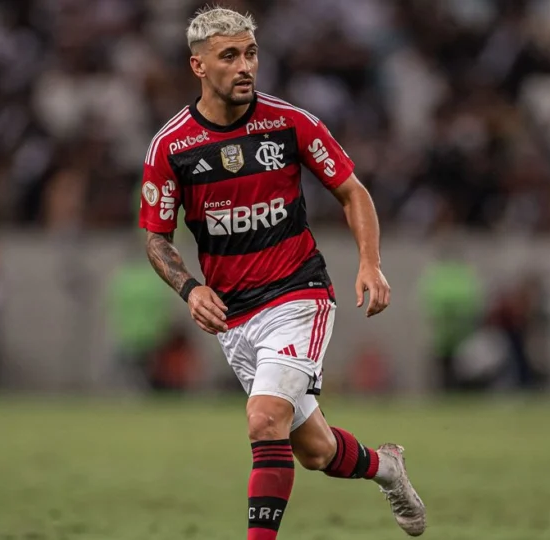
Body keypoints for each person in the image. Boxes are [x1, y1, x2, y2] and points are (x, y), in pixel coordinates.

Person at [138, 7, 426, 538]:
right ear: (198, 66)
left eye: (250, 53)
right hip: (233, 316)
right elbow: (157, 237)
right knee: (314, 450)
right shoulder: (171, 148)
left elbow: (351, 191)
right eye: (230, 56)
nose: (245, 66)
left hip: (299, 295)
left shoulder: (290, 122)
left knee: (263, 419)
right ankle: (387, 469)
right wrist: (189, 288)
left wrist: (369, 262)